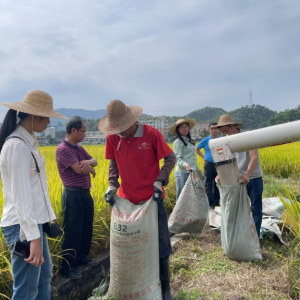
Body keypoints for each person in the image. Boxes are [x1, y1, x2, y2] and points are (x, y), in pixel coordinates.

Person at [94, 100, 176, 300]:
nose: (121, 133)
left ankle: (165, 289)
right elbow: (113, 163)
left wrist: (160, 180)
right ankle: (111, 282)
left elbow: (171, 158)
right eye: (117, 130)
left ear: (134, 121)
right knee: (121, 243)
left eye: (123, 128)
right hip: (126, 202)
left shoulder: (150, 134)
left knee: (161, 242)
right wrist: (112, 184)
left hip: (152, 200)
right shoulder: (114, 138)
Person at [0, 90, 67, 300]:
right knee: (27, 289)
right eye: (46, 116)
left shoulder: (27, 143)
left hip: (33, 225)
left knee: (43, 277)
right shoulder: (17, 147)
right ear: (33, 117)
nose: (48, 121)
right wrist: (33, 238)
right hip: (23, 227)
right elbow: (22, 197)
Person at [56, 116, 99, 280]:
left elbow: (94, 161)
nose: (85, 134)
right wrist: (90, 169)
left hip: (84, 194)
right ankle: (67, 266)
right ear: (73, 130)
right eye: (83, 131)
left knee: (86, 227)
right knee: (72, 231)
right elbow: (78, 170)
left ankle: (82, 258)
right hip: (72, 194)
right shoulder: (63, 149)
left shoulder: (78, 148)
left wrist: (88, 162)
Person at [215, 114, 263, 236]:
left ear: (232, 125)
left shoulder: (248, 136)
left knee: (255, 209)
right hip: (236, 179)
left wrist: (247, 174)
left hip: (253, 178)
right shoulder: (226, 140)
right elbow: (225, 160)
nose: (226, 133)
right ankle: (241, 236)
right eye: (223, 132)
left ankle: (255, 237)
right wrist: (221, 174)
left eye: (226, 130)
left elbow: (254, 158)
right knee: (238, 208)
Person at [169, 119, 199, 201]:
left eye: (186, 126)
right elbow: (177, 158)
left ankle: (190, 213)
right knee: (182, 196)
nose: (185, 129)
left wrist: (197, 169)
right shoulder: (178, 142)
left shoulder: (190, 141)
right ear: (178, 130)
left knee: (192, 195)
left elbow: (193, 158)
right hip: (183, 173)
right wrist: (185, 164)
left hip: (193, 171)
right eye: (182, 127)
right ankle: (179, 213)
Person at [195, 123, 220, 209]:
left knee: (218, 184)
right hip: (208, 165)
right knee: (208, 185)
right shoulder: (206, 140)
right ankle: (210, 204)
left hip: (219, 165)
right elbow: (196, 148)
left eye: (216, 128)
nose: (214, 130)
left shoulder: (221, 139)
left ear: (218, 130)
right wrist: (204, 157)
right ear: (209, 130)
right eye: (212, 128)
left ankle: (217, 203)